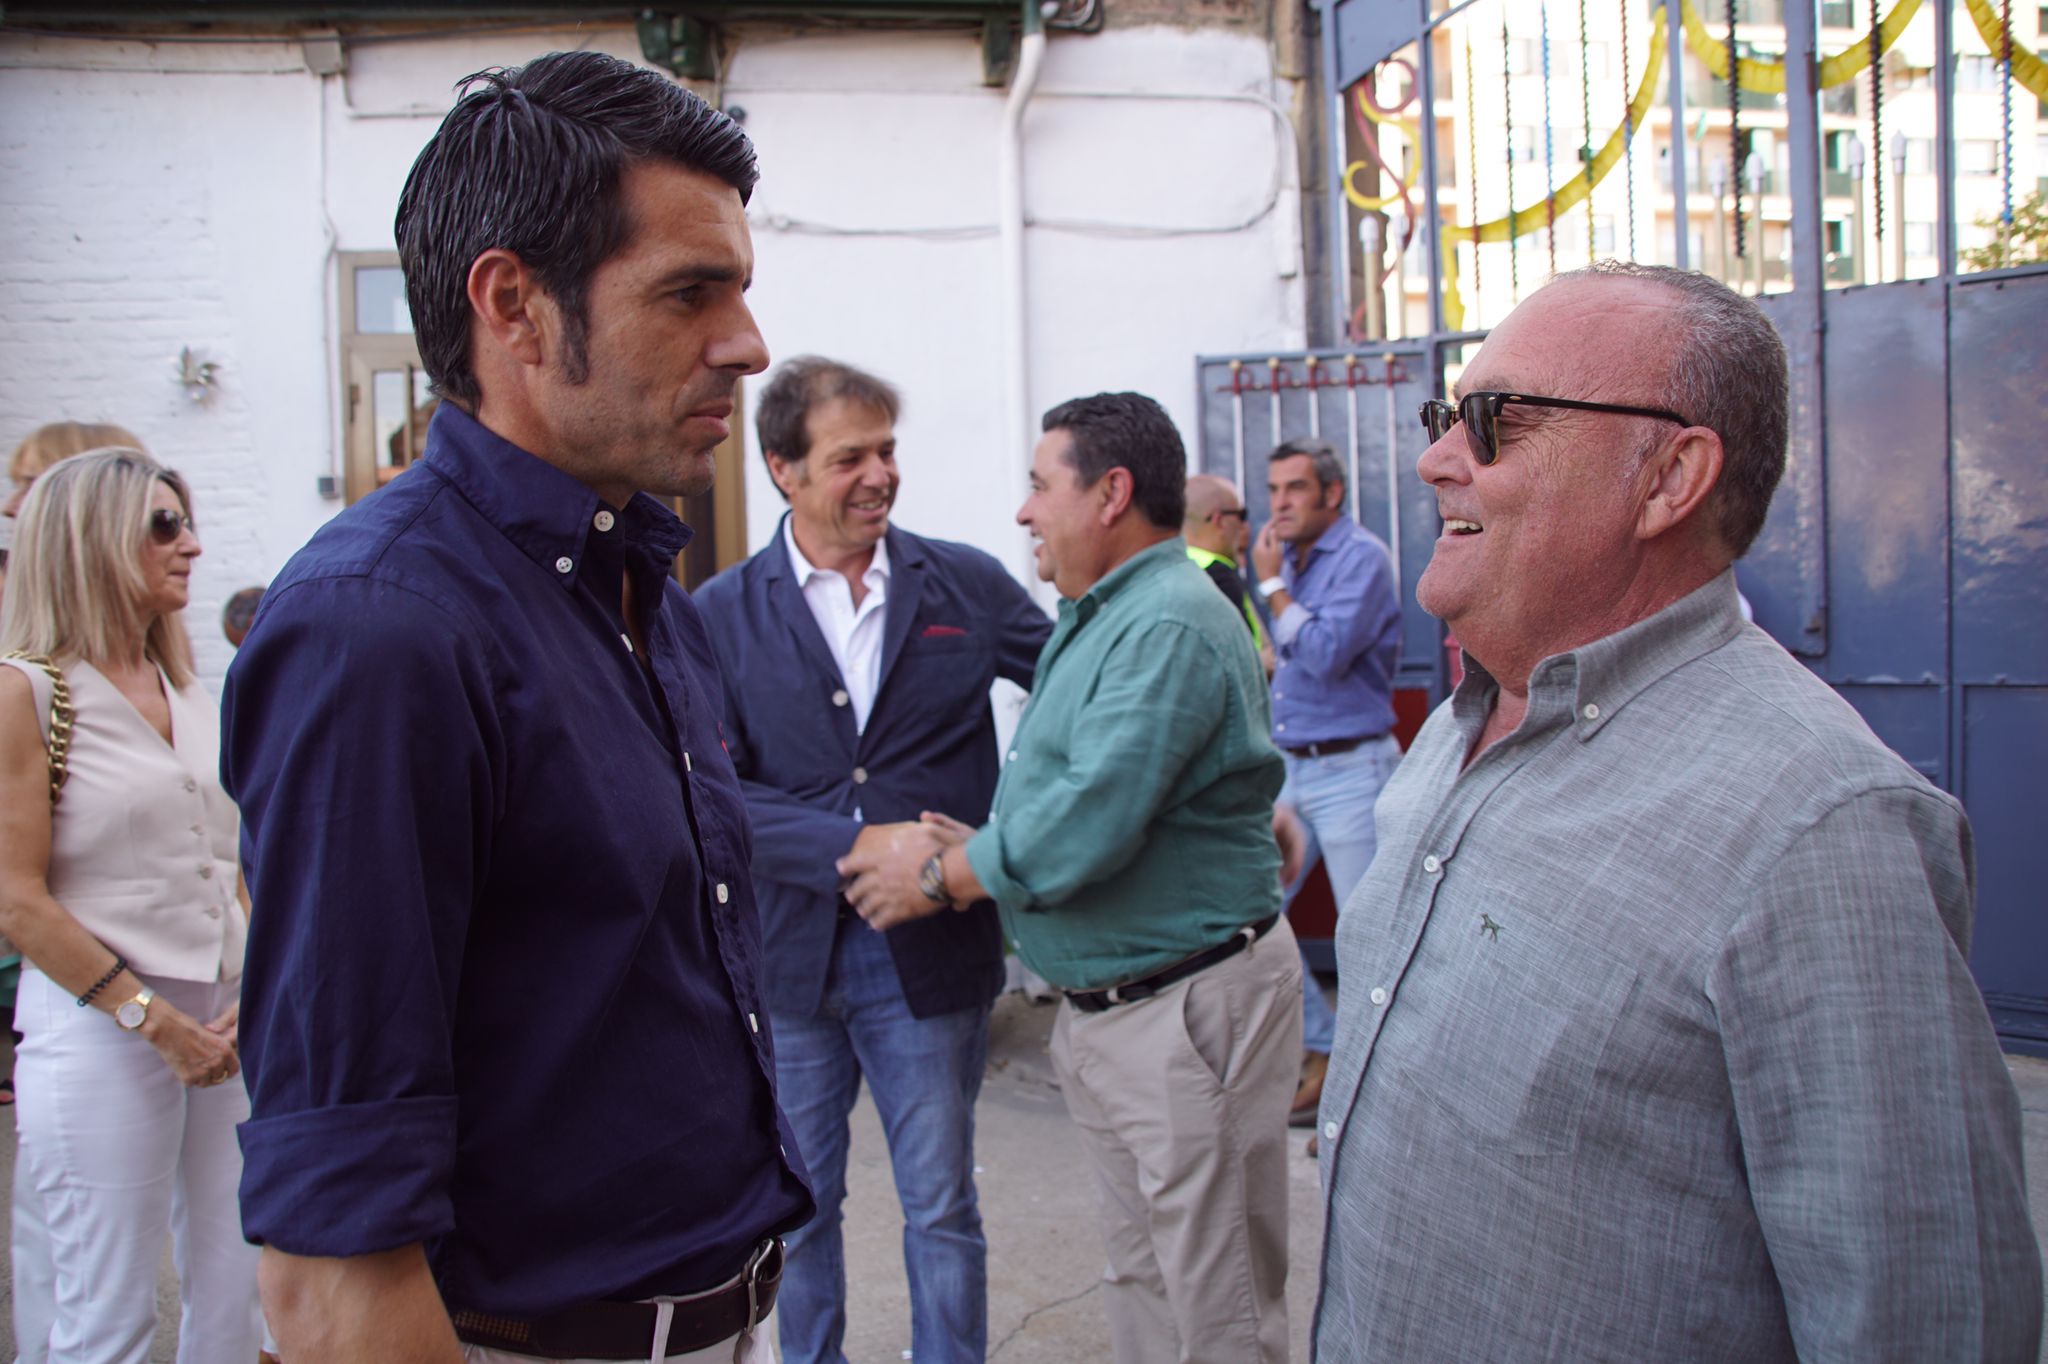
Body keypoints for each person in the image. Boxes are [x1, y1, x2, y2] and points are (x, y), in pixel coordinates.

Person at [1313, 261, 2043, 1359]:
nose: (1434, 458)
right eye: (1441, 417)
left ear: (1667, 477)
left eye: (1491, 419)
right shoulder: (1458, 726)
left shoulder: (1819, 825)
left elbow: (1925, 1316)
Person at [220, 51, 813, 1361]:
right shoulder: (383, 631)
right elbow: (331, 1273)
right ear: (515, 304)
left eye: (743, 291)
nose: (749, 345)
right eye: (689, 293)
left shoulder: (633, 580)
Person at [841, 393, 1302, 1364]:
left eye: (1037, 485)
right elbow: (1088, 800)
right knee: (1144, 1283)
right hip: (1124, 1012)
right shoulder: (1102, 616)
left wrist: (942, 872)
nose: (1021, 512)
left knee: (1212, 1305)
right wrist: (986, 840)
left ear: (1110, 493)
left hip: (1181, 1011)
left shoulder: (1167, 620)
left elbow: (1087, 818)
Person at [695, 356, 1051, 1364]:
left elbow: (1077, 692)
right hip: (790, 962)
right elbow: (708, 796)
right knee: (800, 1211)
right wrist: (852, 841)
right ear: (783, 469)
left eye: (886, 450)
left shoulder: (964, 583)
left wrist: (1008, 827)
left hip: (932, 957)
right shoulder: (718, 613)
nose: (878, 474)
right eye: (848, 455)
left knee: (940, 1203)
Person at [0, 448, 263, 1361]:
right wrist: (153, 1021)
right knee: (107, 1315)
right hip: (100, 1028)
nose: (191, 543)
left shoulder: (188, 686)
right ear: (91, 538)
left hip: (221, 1019)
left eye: (187, 520)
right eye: (164, 524)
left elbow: (226, 857)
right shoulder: (26, 691)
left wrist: (248, 980)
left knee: (236, 1290)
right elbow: (17, 901)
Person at [1246, 439, 1400, 1133]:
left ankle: (1380, 1096)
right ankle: (1326, 1048)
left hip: (1349, 769)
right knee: (1246, 913)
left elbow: (1330, 654)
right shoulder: (1298, 562)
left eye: (1295, 489)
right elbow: (1292, 655)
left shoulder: (1359, 557)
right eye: (1274, 489)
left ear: (1332, 494)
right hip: (1289, 768)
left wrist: (1274, 589)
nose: (1279, 503)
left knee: (1370, 937)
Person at [1180, 473, 1262, 648]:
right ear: (1219, 520)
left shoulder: (1170, 568)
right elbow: (1239, 655)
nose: (1244, 526)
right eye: (1241, 515)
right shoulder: (1220, 577)